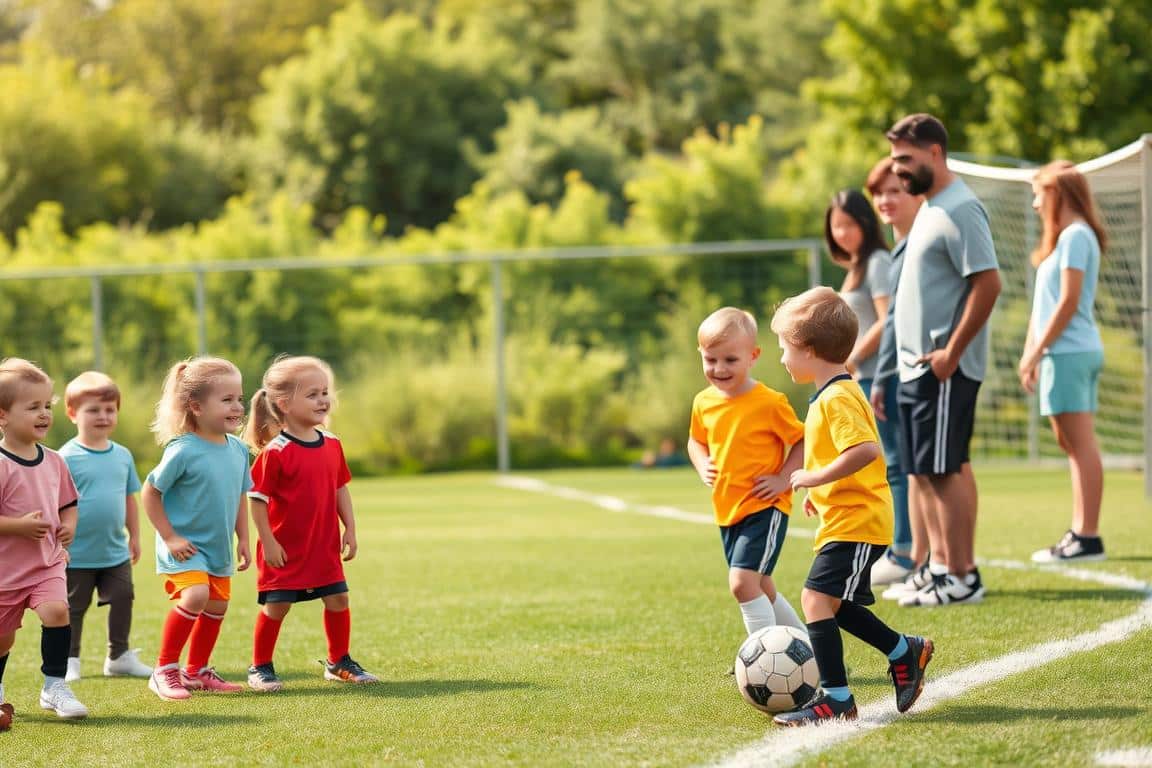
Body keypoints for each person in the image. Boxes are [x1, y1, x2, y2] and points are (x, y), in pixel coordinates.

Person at [768, 288, 933, 726]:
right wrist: (818, 495)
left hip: (859, 521)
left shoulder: (837, 397)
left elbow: (864, 450)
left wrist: (816, 478)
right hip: (846, 517)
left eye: (785, 348)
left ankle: (837, 699)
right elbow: (837, 454)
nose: (782, 357)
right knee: (833, 603)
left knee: (814, 598)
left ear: (809, 350)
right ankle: (904, 650)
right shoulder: (830, 393)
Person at [886, 113, 1001, 607]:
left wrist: (952, 353)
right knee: (927, 472)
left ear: (935, 153)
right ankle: (937, 569)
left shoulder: (962, 208)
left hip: (942, 368)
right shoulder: (930, 207)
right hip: (916, 367)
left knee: (946, 468)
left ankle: (961, 576)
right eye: (894, 161)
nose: (898, 171)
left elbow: (988, 283)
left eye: (905, 160)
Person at [243, 355, 378, 692]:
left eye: (325, 392)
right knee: (277, 606)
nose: (323, 400)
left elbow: (339, 488)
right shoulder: (275, 452)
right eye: (313, 394)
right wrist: (269, 542)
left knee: (338, 600)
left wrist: (351, 528)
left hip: (323, 546)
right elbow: (256, 500)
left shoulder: (332, 443)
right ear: (284, 404)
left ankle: (339, 662)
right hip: (284, 550)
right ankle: (260, 667)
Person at [687, 308, 808, 641]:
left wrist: (784, 478)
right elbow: (695, 440)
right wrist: (702, 463)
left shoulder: (769, 402)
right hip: (728, 509)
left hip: (764, 507)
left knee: (742, 584)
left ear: (753, 356)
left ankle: (763, 653)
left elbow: (802, 439)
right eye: (711, 360)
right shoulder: (703, 402)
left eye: (730, 359)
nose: (719, 368)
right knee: (761, 585)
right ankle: (812, 652)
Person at [142, 357, 252, 701]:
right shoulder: (182, 450)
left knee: (217, 607)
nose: (237, 407)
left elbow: (239, 496)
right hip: (184, 547)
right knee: (196, 596)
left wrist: (244, 538)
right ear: (197, 407)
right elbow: (151, 492)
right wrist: (170, 537)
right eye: (227, 400)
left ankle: (196, 672)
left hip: (218, 546)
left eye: (239, 398)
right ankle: (164, 670)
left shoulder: (237, 449)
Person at [825, 186, 914, 588]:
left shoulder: (877, 261)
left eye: (848, 224)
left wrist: (856, 356)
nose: (841, 232)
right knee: (887, 463)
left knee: (895, 464)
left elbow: (886, 318)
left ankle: (904, 549)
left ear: (865, 223)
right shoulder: (857, 266)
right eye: (835, 225)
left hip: (883, 375)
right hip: (865, 378)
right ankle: (897, 547)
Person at [1018, 161, 1107, 562]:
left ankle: (1087, 536)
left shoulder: (1076, 236)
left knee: (1080, 442)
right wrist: (1030, 352)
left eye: (1040, 194)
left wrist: (1037, 351)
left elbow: (1069, 302)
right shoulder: (1064, 239)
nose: (1036, 203)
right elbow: (1045, 306)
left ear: (1058, 193)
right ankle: (1079, 532)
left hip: (1071, 351)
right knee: (1070, 442)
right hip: (1060, 352)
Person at [0, 358, 89, 726]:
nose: (43, 414)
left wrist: (68, 526)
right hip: (5, 571)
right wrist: (17, 527)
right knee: (2, 641)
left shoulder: (54, 461)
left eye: (47, 405)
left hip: (47, 561)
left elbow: (69, 504)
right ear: (2, 415)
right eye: (33, 406)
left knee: (57, 612)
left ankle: (54, 685)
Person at [58, 371, 152, 683]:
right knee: (72, 608)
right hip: (76, 554)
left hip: (115, 550)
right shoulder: (64, 458)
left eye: (110, 409)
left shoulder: (123, 455)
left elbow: (128, 499)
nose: (103, 416)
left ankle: (118, 657)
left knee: (124, 596)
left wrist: (135, 535)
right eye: (94, 410)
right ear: (73, 414)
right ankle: (69, 658)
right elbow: (55, 503)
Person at [864, 158, 930, 591]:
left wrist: (880, 370)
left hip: (913, 370)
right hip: (897, 372)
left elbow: (893, 322)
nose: (886, 200)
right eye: (880, 192)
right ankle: (917, 556)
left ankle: (916, 555)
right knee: (908, 469)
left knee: (916, 468)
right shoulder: (897, 250)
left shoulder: (918, 245)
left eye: (895, 190)